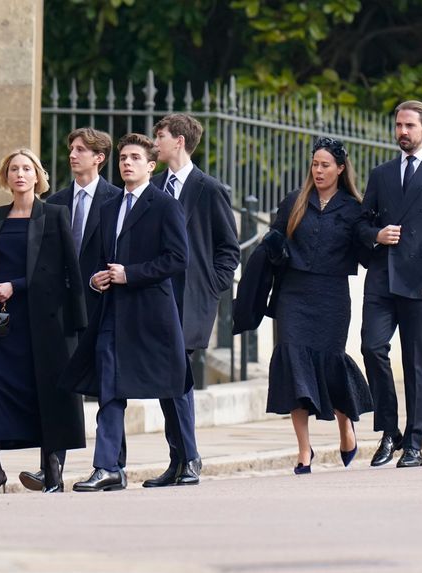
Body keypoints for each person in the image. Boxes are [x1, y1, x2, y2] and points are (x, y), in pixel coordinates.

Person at [0, 149, 87, 493]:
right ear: (5, 176)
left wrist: (16, 286)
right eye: (13, 169)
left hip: (42, 325)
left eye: (26, 169)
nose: (20, 174)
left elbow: (64, 273)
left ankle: (51, 468)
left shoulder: (55, 215)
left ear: (37, 176)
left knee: (45, 394)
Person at [61, 133, 189, 492]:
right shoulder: (109, 207)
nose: (127, 163)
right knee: (109, 388)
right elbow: (104, 258)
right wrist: (98, 279)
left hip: (151, 313)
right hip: (112, 310)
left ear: (151, 166)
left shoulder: (165, 205)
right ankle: (109, 466)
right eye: (123, 158)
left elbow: (178, 259)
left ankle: (186, 458)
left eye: (135, 158)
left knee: (172, 385)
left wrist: (130, 274)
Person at [358, 100, 422, 468]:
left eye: (409, 126)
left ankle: (414, 443)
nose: (402, 131)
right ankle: (390, 431)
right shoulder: (381, 174)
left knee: (416, 362)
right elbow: (361, 223)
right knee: (372, 348)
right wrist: (377, 235)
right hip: (383, 277)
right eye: (399, 125)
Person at [18, 128, 120, 491]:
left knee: (110, 385)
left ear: (99, 158)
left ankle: (112, 465)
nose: (73, 155)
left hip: (103, 305)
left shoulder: (117, 199)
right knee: (58, 385)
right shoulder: (55, 202)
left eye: (81, 150)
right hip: (60, 310)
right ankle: (52, 467)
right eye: (71, 148)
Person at [265, 137, 373, 474]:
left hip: (332, 295)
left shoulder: (354, 208)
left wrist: (377, 237)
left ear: (341, 169)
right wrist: (275, 245)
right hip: (294, 295)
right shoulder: (294, 202)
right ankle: (303, 450)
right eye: (315, 164)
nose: (319, 170)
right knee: (293, 360)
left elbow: (366, 255)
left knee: (330, 364)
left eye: (326, 165)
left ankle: (345, 426)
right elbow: (275, 236)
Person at [145, 114, 240, 487]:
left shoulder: (209, 189)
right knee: (165, 380)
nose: (156, 142)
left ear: (179, 141)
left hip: (191, 300)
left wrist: (210, 288)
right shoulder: (153, 188)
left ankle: (190, 457)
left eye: (161, 135)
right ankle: (179, 459)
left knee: (178, 376)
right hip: (155, 296)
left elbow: (228, 250)